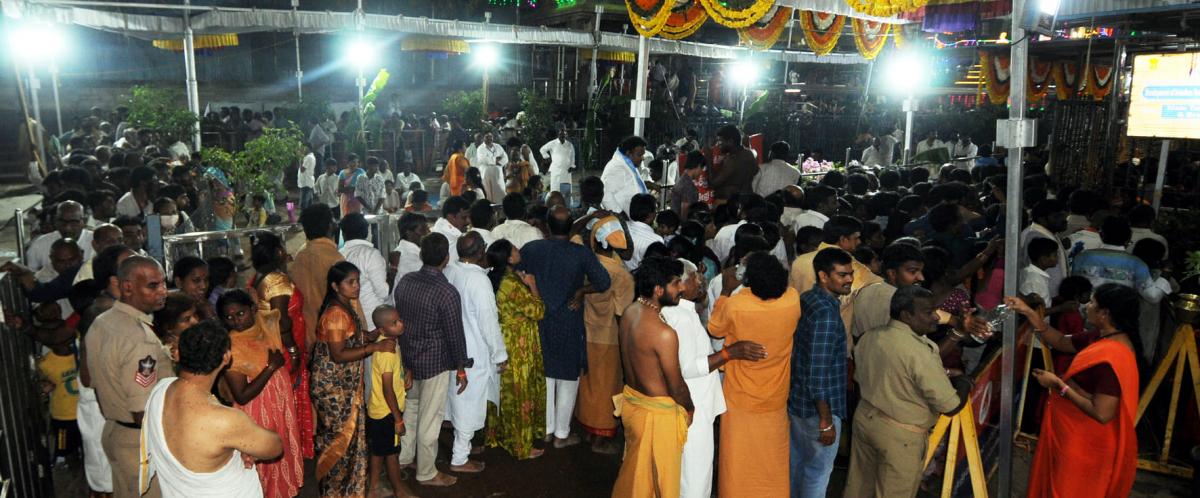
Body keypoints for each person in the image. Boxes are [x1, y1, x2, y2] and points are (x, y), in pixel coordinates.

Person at [1003, 284, 1141, 498]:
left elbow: (1102, 413)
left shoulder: (1113, 356)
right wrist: (1029, 312)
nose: (1087, 306)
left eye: (1092, 303)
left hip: (1089, 444)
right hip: (1074, 434)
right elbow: (1059, 341)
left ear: (1105, 314)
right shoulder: (1100, 336)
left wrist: (1059, 385)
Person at [844, 285, 973, 498]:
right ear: (906, 315)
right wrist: (964, 382)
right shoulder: (918, 352)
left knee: (859, 489)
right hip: (900, 436)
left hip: (866, 420)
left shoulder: (870, 336)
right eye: (928, 312)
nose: (935, 317)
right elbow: (949, 406)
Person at [141, 321, 283, 498]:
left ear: (178, 353)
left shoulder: (160, 390)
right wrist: (244, 445)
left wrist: (236, 446)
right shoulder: (224, 420)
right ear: (226, 357)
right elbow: (274, 446)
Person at [662, 259, 766, 498]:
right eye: (693, 278)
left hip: (692, 403)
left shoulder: (680, 312)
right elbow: (687, 367)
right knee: (695, 472)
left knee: (686, 469)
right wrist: (731, 353)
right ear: (676, 284)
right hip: (692, 404)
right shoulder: (680, 318)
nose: (701, 281)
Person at [708, 251, 801, 497]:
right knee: (771, 459)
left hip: (741, 397)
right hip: (775, 397)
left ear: (748, 281)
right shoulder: (792, 300)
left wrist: (727, 291)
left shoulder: (738, 304)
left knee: (738, 458)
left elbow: (715, 328)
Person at [518, 206, 612, 448]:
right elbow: (603, 282)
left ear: (546, 225)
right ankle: (562, 433)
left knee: (545, 372)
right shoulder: (580, 253)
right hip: (569, 320)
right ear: (571, 227)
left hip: (539, 319)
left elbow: (516, 273)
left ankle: (547, 430)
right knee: (568, 377)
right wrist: (581, 290)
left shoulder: (531, 249)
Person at [85, 256, 171, 498]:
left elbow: (92, 381)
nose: (163, 291)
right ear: (127, 287)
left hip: (114, 431)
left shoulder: (103, 321)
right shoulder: (138, 338)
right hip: (139, 442)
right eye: (153, 286)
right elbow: (141, 410)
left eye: (163, 283)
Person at [610, 256, 694, 498]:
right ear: (658, 290)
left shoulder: (629, 312)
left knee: (637, 475)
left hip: (634, 404)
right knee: (662, 484)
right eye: (676, 283)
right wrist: (689, 408)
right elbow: (676, 385)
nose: (682, 289)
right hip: (658, 415)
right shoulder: (664, 333)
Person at [311, 261, 396, 497]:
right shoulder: (336, 314)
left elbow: (355, 339)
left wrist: (375, 334)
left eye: (358, 280)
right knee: (339, 443)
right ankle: (335, 491)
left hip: (344, 387)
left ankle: (348, 490)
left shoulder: (345, 305)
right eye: (351, 282)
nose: (357, 286)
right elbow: (339, 355)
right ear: (336, 286)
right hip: (333, 389)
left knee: (348, 443)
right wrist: (374, 348)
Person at [393, 233, 468, 487]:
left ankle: (404, 457)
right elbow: (454, 334)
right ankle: (426, 471)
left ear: (422, 255)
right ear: (446, 259)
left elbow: (399, 319)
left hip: (408, 359)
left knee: (411, 410)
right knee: (430, 418)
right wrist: (460, 367)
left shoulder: (405, 281)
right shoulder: (446, 292)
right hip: (434, 361)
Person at [216, 290, 304, 498]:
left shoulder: (265, 324)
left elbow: (284, 324)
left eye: (241, 313)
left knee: (281, 448)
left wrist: (292, 352)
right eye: (229, 317)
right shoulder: (232, 346)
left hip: (279, 401)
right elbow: (242, 395)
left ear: (253, 309)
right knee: (263, 456)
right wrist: (271, 367)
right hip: (258, 407)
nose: (236, 321)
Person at [790, 248, 854, 498]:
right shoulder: (827, 315)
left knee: (797, 467)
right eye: (842, 275)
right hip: (819, 410)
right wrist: (826, 421)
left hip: (799, 403)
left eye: (850, 274)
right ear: (824, 276)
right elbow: (818, 372)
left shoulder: (809, 298)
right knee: (817, 473)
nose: (849, 279)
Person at [443, 232, 508, 473]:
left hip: (454, 348)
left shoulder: (451, 271)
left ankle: (463, 447)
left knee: (459, 400)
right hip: (474, 352)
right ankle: (459, 458)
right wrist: (500, 354)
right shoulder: (479, 281)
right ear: (481, 252)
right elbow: (488, 322)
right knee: (468, 403)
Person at [484, 239, 547, 459]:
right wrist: (532, 285)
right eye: (514, 249)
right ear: (509, 258)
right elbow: (537, 311)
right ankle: (521, 445)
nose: (518, 250)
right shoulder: (512, 283)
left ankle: (500, 435)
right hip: (518, 344)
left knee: (505, 393)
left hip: (504, 338)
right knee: (520, 393)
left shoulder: (495, 277)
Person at [577, 215, 635, 453]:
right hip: (610, 336)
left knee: (589, 385)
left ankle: (589, 432)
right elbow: (622, 314)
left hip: (586, 330)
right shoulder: (621, 275)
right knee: (607, 388)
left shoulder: (586, 263)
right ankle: (600, 440)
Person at [364, 306, 416, 498]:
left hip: (377, 409)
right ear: (382, 330)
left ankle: (373, 488)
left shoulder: (388, 342)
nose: (400, 323)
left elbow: (393, 374)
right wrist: (398, 419)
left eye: (399, 319)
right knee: (392, 453)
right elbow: (387, 389)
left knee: (378, 451)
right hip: (388, 412)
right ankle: (399, 490)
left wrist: (405, 373)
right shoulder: (388, 352)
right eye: (394, 323)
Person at [1072, 216, 1169, 305]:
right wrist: (1165, 274)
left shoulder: (1082, 257)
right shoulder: (1137, 264)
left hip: (1087, 317)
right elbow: (1153, 297)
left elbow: (1074, 290)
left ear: (1101, 234)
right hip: (1118, 319)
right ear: (1129, 237)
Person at [291, 204, 345, 353]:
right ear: (329, 226)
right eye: (333, 220)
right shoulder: (334, 258)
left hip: (308, 335)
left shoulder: (300, 255)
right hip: (334, 338)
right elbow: (347, 300)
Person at [338, 214, 389, 329]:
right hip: (372, 319)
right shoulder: (370, 254)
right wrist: (393, 271)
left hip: (349, 318)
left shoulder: (339, 254)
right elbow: (383, 293)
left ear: (343, 233)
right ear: (367, 231)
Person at [26, 200, 94, 272]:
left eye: (73, 222)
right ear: (56, 220)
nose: (67, 228)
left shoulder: (97, 241)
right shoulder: (40, 244)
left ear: (84, 221)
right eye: (62, 222)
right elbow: (31, 273)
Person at [1020, 200, 1070, 297]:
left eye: (1064, 216)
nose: (1064, 220)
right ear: (1042, 219)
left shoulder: (1046, 233)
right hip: (1044, 293)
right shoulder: (1036, 236)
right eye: (1057, 217)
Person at [600, 135, 650, 215]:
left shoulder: (629, 165)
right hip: (625, 221)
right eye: (639, 155)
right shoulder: (616, 167)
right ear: (628, 153)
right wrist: (619, 214)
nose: (643, 158)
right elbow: (605, 194)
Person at [708, 125, 757, 203]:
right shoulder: (749, 153)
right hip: (747, 199)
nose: (718, 144)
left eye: (720, 141)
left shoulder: (733, 160)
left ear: (730, 141)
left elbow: (713, 183)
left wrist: (708, 157)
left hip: (731, 204)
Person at [625, 193, 665, 271]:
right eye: (656, 210)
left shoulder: (620, 227)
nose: (656, 213)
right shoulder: (656, 240)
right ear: (651, 215)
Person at [390, 212, 430, 290]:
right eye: (423, 230)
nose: (428, 232)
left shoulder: (399, 250)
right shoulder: (414, 262)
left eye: (428, 228)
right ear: (409, 233)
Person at [1021, 237, 1061, 304]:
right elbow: (1036, 310)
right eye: (1055, 255)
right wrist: (1061, 308)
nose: (1058, 258)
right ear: (1044, 259)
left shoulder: (1029, 272)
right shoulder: (1035, 280)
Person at [434, 196, 470, 262]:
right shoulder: (452, 240)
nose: (468, 221)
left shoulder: (440, 225)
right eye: (464, 218)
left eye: (469, 217)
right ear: (451, 217)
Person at [474, 133, 508, 203]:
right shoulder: (480, 149)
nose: (489, 138)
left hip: (498, 175)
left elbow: (505, 158)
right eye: (487, 137)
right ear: (483, 138)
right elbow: (483, 159)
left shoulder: (498, 146)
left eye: (491, 137)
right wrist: (495, 160)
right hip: (486, 175)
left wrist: (499, 162)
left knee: (500, 194)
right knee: (488, 195)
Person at [671, 151, 705, 218]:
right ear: (698, 165)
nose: (701, 172)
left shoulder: (681, 179)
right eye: (701, 168)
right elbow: (685, 213)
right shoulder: (688, 186)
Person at [298, 145, 316, 209]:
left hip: (305, 182)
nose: (302, 149)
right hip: (308, 181)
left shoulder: (308, 157)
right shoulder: (311, 156)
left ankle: (304, 217)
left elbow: (302, 170)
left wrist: (300, 159)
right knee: (309, 202)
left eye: (304, 148)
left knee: (304, 204)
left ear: (308, 148)